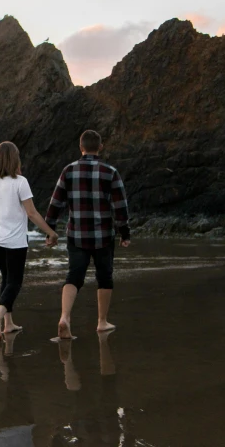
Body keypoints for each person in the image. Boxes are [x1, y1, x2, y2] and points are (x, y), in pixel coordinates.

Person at [45, 130, 130, 338]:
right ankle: (102, 322)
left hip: (77, 235)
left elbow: (55, 203)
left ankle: (65, 316)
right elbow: (120, 206)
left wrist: (50, 230)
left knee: (74, 275)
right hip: (103, 236)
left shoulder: (68, 171)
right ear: (100, 147)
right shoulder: (110, 171)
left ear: (80, 147)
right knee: (105, 277)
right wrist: (124, 232)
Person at [0, 141, 58, 340]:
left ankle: (8, 324)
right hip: (14, 240)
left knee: (6, 279)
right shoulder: (19, 182)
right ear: (15, 159)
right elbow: (31, 213)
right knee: (14, 280)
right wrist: (50, 232)